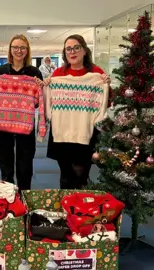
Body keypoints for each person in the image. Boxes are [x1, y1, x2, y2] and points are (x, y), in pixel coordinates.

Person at [42, 34, 110, 190]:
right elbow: (47, 102)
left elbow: (106, 102)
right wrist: (46, 86)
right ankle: (67, 208)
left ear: (84, 50)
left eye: (76, 48)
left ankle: (80, 209)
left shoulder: (96, 74)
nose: (72, 52)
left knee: (81, 175)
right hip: (62, 132)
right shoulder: (59, 74)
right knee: (65, 175)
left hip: (86, 131)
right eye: (68, 49)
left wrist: (106, 86)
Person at [0, 34, 43, 191]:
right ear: (10, 50)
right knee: (6, 171)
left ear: (27, 50)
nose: (19, 50)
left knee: (25, 169)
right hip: (3, 128)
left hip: (25, 127)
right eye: (15, 47)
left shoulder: (34, 73)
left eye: (22, 47)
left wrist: (39, 88)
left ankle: (24, 201)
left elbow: (37, 103)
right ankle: (9, 202)